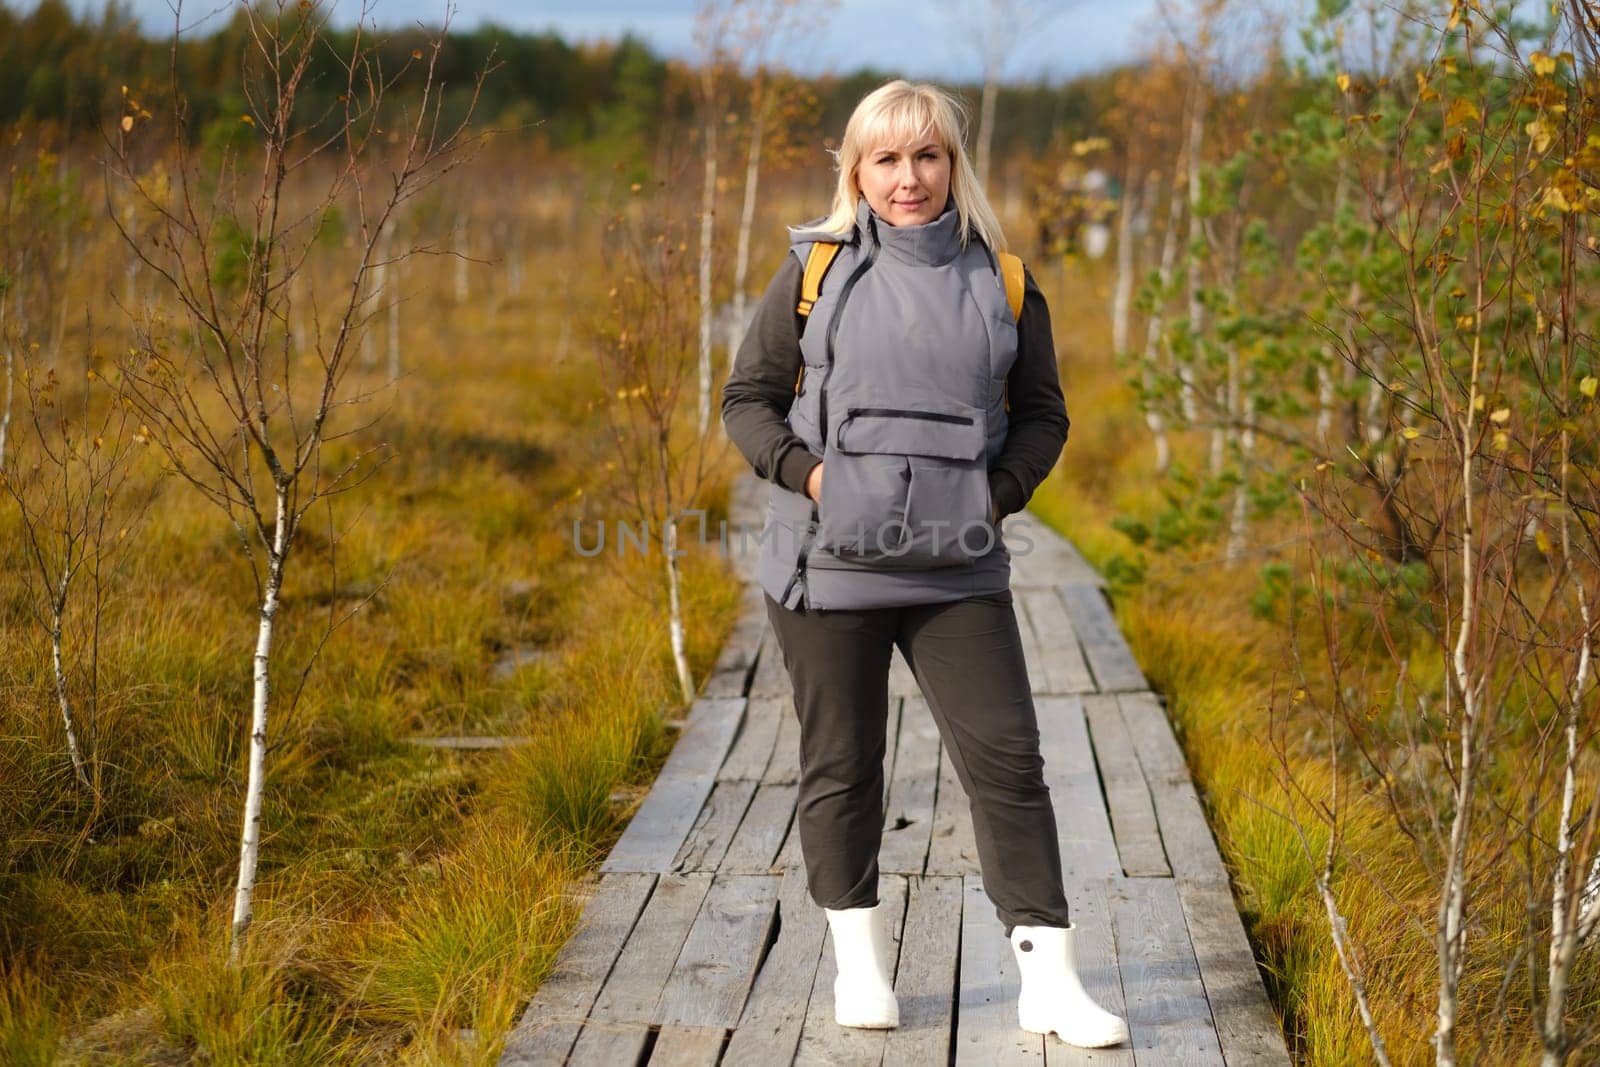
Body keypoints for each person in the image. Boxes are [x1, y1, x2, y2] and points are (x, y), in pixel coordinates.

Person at [720, 80, 1128, 1049]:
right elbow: (748, 396)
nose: (908, 178)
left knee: (1008, 764)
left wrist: (993, 497)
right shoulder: (814, 270)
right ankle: (860, 969)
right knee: (843, 766)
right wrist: (813, 479)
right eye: (886, 159)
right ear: (856, 172)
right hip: (826, 569)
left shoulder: (1007, 281)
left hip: (959, 568)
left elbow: (1042, 415)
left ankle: (1048, 983)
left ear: (954, 164)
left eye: (927, 156)